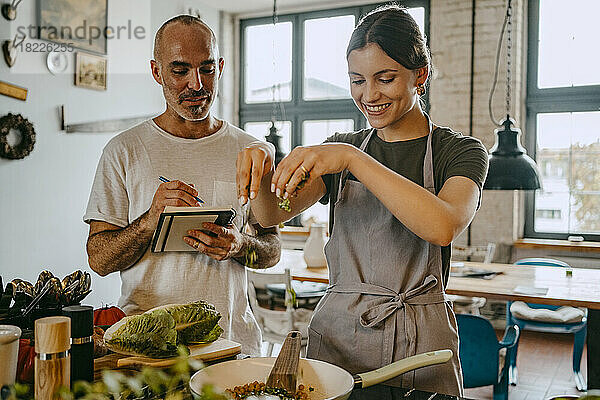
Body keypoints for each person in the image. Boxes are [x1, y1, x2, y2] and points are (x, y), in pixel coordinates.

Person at [237, 5, 488, 395]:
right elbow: (270, 212)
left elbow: (443, 225)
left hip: (419, 342)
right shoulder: (342, 148)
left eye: (384, 79)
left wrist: (354, 159)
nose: (369, 95)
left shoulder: (458, 152)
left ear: (419, 75)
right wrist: (262, 167)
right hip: (340, 339)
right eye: (357, 80)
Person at [84, 15, 281, 356]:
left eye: (207, 69)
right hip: (144, 353)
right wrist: (149, 221)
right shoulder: (124, 150)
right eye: (180, 71)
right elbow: (99, 260)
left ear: (220, 66)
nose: (197, 84)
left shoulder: (248, 150)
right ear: (157, 72)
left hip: (233, 346)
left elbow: (272, 249)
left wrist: (239, 245)